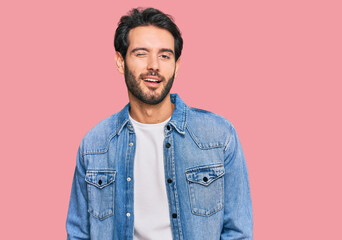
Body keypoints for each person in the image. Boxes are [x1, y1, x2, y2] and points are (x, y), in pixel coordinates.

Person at [66, 7, 253, 240]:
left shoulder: (219, 137)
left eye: (165, 55)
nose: (153, 65)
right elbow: (79, 234)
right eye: (141, 53)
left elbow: (238, 232)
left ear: (177, 64)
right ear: (120, 61)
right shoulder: (94, 145)